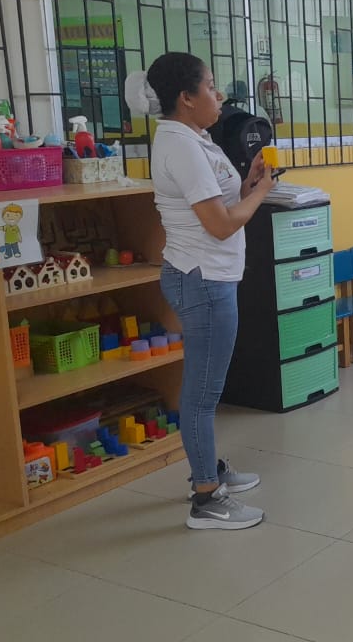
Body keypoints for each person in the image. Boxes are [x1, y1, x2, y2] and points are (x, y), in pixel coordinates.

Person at [130, 52, 275, 530]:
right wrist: (261, 194)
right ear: (186, 97)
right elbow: (220, 225)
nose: (220, 95)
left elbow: (221, 205)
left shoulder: (194, 137)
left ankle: (207, 469)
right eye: (211, 86)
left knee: (206, 387)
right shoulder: (181, 146)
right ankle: (207, 499)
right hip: (203, 279)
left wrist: (249, 185)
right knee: (202, 393)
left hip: (208, 275)